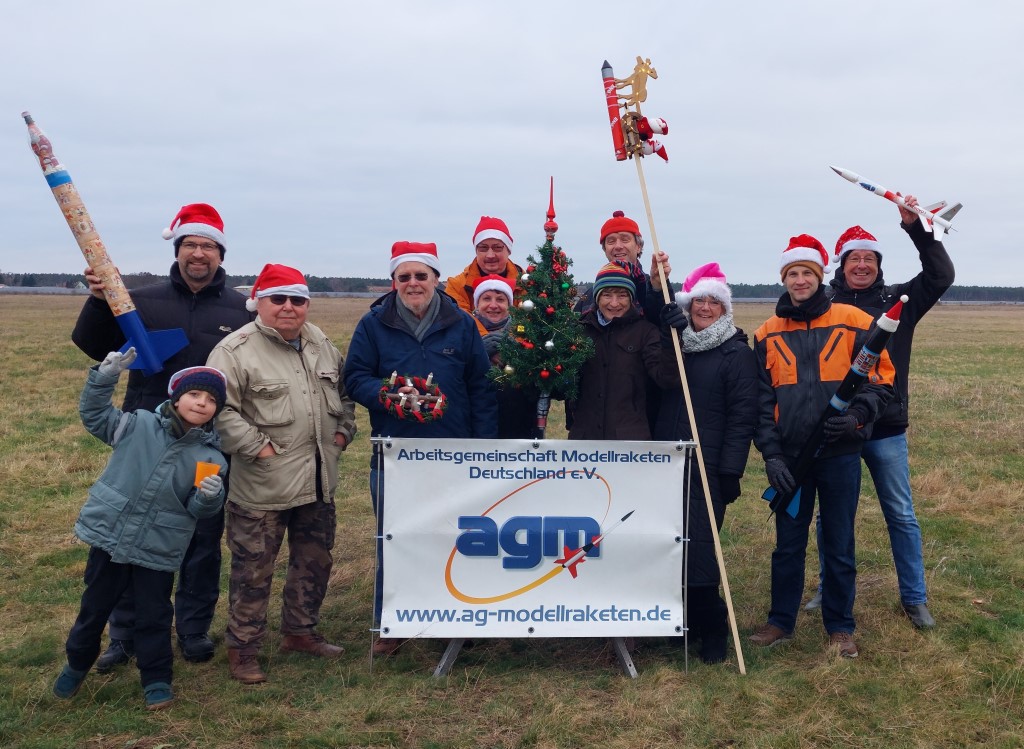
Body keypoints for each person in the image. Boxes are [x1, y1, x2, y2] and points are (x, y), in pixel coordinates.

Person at [70, 203, 251, 670]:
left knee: (202, 537)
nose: (198, 253)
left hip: (207, 445)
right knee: (131, 536)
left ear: (221, 254)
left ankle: (193, 628)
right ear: (178, 249)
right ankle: (124, 634)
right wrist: (100, 300)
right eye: (190, 244)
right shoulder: (140, 300)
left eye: (208, 246)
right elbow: (92, 345)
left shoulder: (240, 310)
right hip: (146, 439)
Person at [803, 197, 954, 628]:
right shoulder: (824, 303)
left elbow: (941, 275)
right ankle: (827, 589)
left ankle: (915, 597)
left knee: (901, 514)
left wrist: (918, 230)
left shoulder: (900, 300)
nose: (862, 264)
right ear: (841, 264)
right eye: (855, 258)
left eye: (870, 258)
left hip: (885, 426)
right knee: (832, 516)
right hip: (838, 427)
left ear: (878, 265)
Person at [343, 241, 498, 655]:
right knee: (395, 537)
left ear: (435, 279)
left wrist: (483, 448)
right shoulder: (373, 324)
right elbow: (354, 377)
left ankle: (456, 618)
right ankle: (391, 624)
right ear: (393, 281)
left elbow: (480, 387)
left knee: (454, 537)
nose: (413, 283)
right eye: (404, 276)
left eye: (421, 275)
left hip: (453, 451)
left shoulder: (461, 323)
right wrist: (388, 394)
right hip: (396, 454)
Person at [206, 264, 357, 684]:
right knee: (252, 571)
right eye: (279, 299)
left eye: (298, 299)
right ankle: (244, 648)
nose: (289, 307)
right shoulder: (234, 350)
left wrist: (343, 432)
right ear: (259, 303)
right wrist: (259, 447)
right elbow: (218, 409)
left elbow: (345, 393)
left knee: (314, 561)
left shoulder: (320, 342)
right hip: (262, 486)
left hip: (318, 480)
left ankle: (300, 632)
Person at [53, 350, 228, 710]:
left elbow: (198, 509)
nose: (202, 403)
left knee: (155, 614)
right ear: (176, 398)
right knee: (94, 607)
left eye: (211, 400)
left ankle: (157, 678)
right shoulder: (138, 424)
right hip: (111, 535)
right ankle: (77, 663)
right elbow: (95, 416)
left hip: (159, 545)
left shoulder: (210, 458)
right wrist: (104, 378)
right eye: (195, 394)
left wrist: (210, 497)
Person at [750, 235, 895, 658]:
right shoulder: (766, 333)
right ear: (784, 279)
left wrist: (856, 418)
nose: (800, 280)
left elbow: (881, 380)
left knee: (839, 541)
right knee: (788, 544)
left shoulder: (855, 320)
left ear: (819, 277)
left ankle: (840, 626)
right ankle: (780, 621)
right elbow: (761, 403)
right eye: (792, 274)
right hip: (791, 461)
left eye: (807, 273)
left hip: (839, 455)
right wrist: (772, 455)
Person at [653, 262, 758, 664]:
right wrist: (668, 333)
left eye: (714, 301)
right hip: (667, 460)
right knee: (668, 544)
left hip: (707, 466)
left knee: (698, 547)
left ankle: (713, 626)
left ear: (725, 308)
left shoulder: (736, 353)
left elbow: (742, 417)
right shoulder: (677, 344)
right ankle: (684, 621)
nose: (706, 307)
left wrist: (730, 470)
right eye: (699, 300)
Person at [567, 261, 680, 440]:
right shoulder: (578, 331)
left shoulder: (645, 332)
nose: (614, 303)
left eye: (622, 295)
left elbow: (667, 378)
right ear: (597, 298)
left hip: (630, 440)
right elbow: (560, 387)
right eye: (607, 295)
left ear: (631, 299)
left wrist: (670, 337)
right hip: (585, 440)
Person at [574, 210, 673, 320]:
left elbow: (664, 322)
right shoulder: (589, 296)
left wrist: (658, 288)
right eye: (611, 241)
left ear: (638, 246)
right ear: (605, 249)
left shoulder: (654, 288)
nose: (618, 246)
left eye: (625, 240)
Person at [472, 274, 537, 439]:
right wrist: (481, 353)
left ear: (509, 305)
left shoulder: (527, 335)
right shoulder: (465, 334)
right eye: (486, 299)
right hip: (473, 428)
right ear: (477, 304)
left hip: (519, 428)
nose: (493, 305)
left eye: (500, 299)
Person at [444, 216, 522, 314]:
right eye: (483, 248)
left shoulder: (529, 285)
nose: (490, 255)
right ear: (476, 251)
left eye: (497, 248)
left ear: (509, 250)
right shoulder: (457, 286)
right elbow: (459, 320)